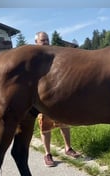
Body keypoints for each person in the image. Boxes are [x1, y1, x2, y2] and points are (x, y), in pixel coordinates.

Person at [35, 31, 80, 167]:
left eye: (47, 40)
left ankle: (68, 148)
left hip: (58, 95)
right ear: (36, 42)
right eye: (43, 40)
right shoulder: (35, 57)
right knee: (45, 126)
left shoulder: (53, 54)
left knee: (64, 123)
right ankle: (48, 154)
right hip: (44, 96)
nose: (46, 42)